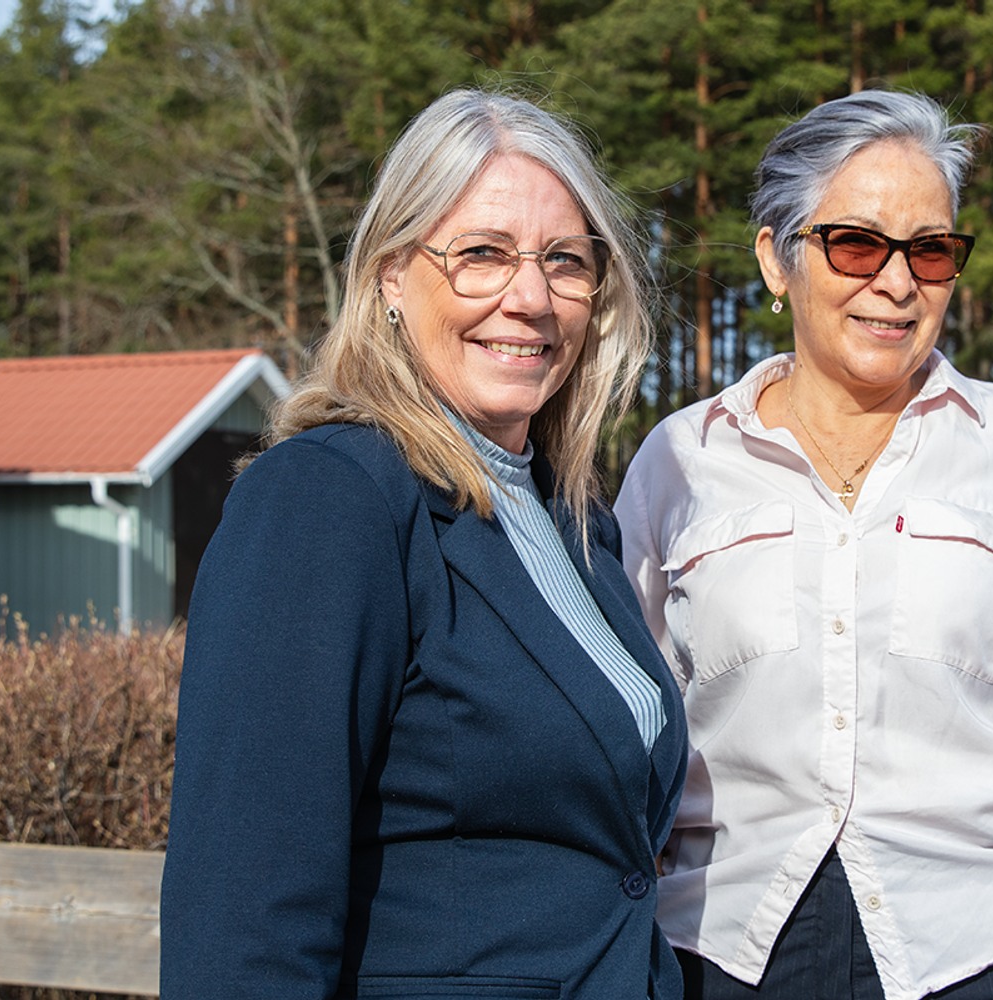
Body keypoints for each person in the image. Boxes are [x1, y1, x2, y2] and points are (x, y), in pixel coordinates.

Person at [615, 89, 993, 1000]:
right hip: (726, 952)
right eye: (857, 244)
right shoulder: (678, 460)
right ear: (776, 259)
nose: (898, 283)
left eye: (932, 251)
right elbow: (628, 715)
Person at [160, 89, 688, 1000]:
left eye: (565, 261)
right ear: (391, 277)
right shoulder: (329, 498)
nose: (529, 298)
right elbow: (244, 913)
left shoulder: (574, 521)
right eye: (481, 254)